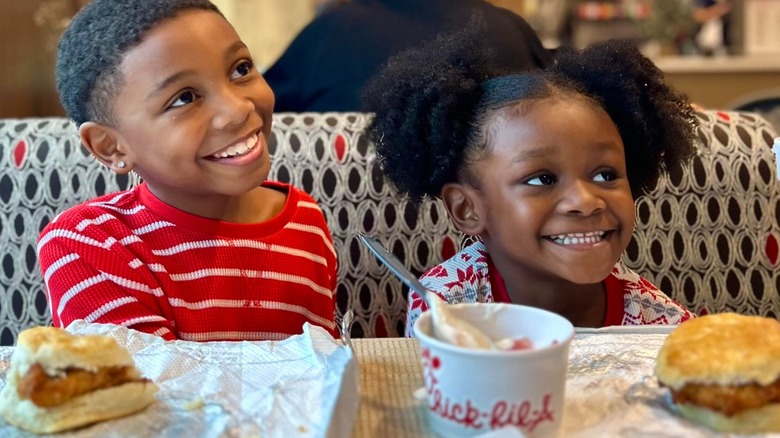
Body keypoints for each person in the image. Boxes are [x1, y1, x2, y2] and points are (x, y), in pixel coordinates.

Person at [362, 25, 699, 335]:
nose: (584, 201)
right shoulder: (446, 307)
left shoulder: (658, 325)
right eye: (542, 179)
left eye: (605, 174)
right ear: (467, 209)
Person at [40, 0, 338, 341]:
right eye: (184, 98)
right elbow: (144, 388)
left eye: (240, 69)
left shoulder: (304, 219)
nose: (238, 109)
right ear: (112, 146)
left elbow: (322, 372)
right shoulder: (88, 245)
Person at [263, 0, 554, 112]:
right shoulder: (508, 29)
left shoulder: (327, 35)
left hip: (347, 233)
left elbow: (267, 114)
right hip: (486, 237)